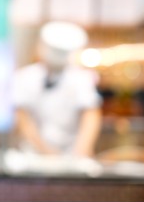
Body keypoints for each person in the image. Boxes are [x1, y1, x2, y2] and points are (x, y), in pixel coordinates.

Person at [11, 21, 102, 157]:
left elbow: (91, 116)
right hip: (31, 156)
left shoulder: (81, 79)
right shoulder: (24, 77)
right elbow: (21, 117)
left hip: (71, 156)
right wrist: (46, 151)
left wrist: (82, 149)